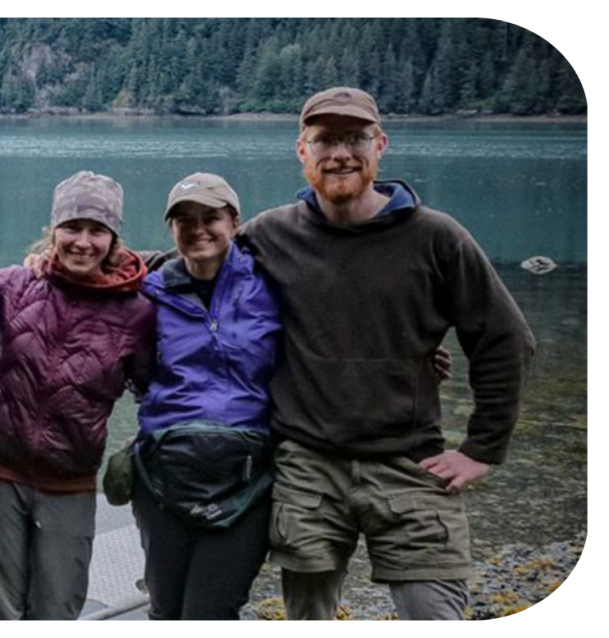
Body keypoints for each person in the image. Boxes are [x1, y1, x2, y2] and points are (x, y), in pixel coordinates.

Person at [241, 87, 536, 621]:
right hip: (308, 466)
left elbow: (505, 339)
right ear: (301, 151)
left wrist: (482, 449)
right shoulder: (270, 235)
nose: (341, 154)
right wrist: (89, 261)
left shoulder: (436, 237)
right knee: (307, 614)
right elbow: (193, 263)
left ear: (381, 146)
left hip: (411, 461)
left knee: (435, 610)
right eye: (325, 140)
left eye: (355, 138)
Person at [0, 172, 155, 621]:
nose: (83, 241)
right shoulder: (9, 287)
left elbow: (155, 391)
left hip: (70, 481)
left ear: (114, 239)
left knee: (58, 608)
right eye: (72, 227)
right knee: (2, 610)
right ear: (52, 231)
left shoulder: (137, 312)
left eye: (97, 230)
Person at [131, 173, 282, 621]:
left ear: (235, 222)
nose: (198, 229)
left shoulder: (272, 284)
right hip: (162, 474)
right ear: (170, 229)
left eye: (210, 217)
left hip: (246, 481)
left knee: (210, 612)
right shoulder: (147, 290)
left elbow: (341, 323)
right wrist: (39, 260)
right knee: (165, 609)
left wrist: (416, 352)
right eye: (184, 219)